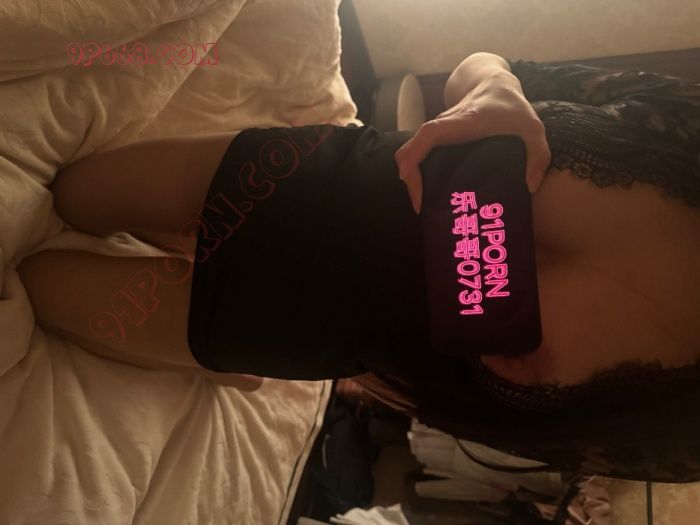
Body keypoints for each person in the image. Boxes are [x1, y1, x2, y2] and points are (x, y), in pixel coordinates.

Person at [17, 52, 700, 482]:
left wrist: (506, 386)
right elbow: (483, 66)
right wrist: (494, 87)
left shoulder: (683, 436)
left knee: (40, 281)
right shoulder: (685, 127)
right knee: (75, 195)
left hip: (297, 326)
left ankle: (225, 362)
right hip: (306, 176)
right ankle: (197, 272)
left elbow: (490, 427)